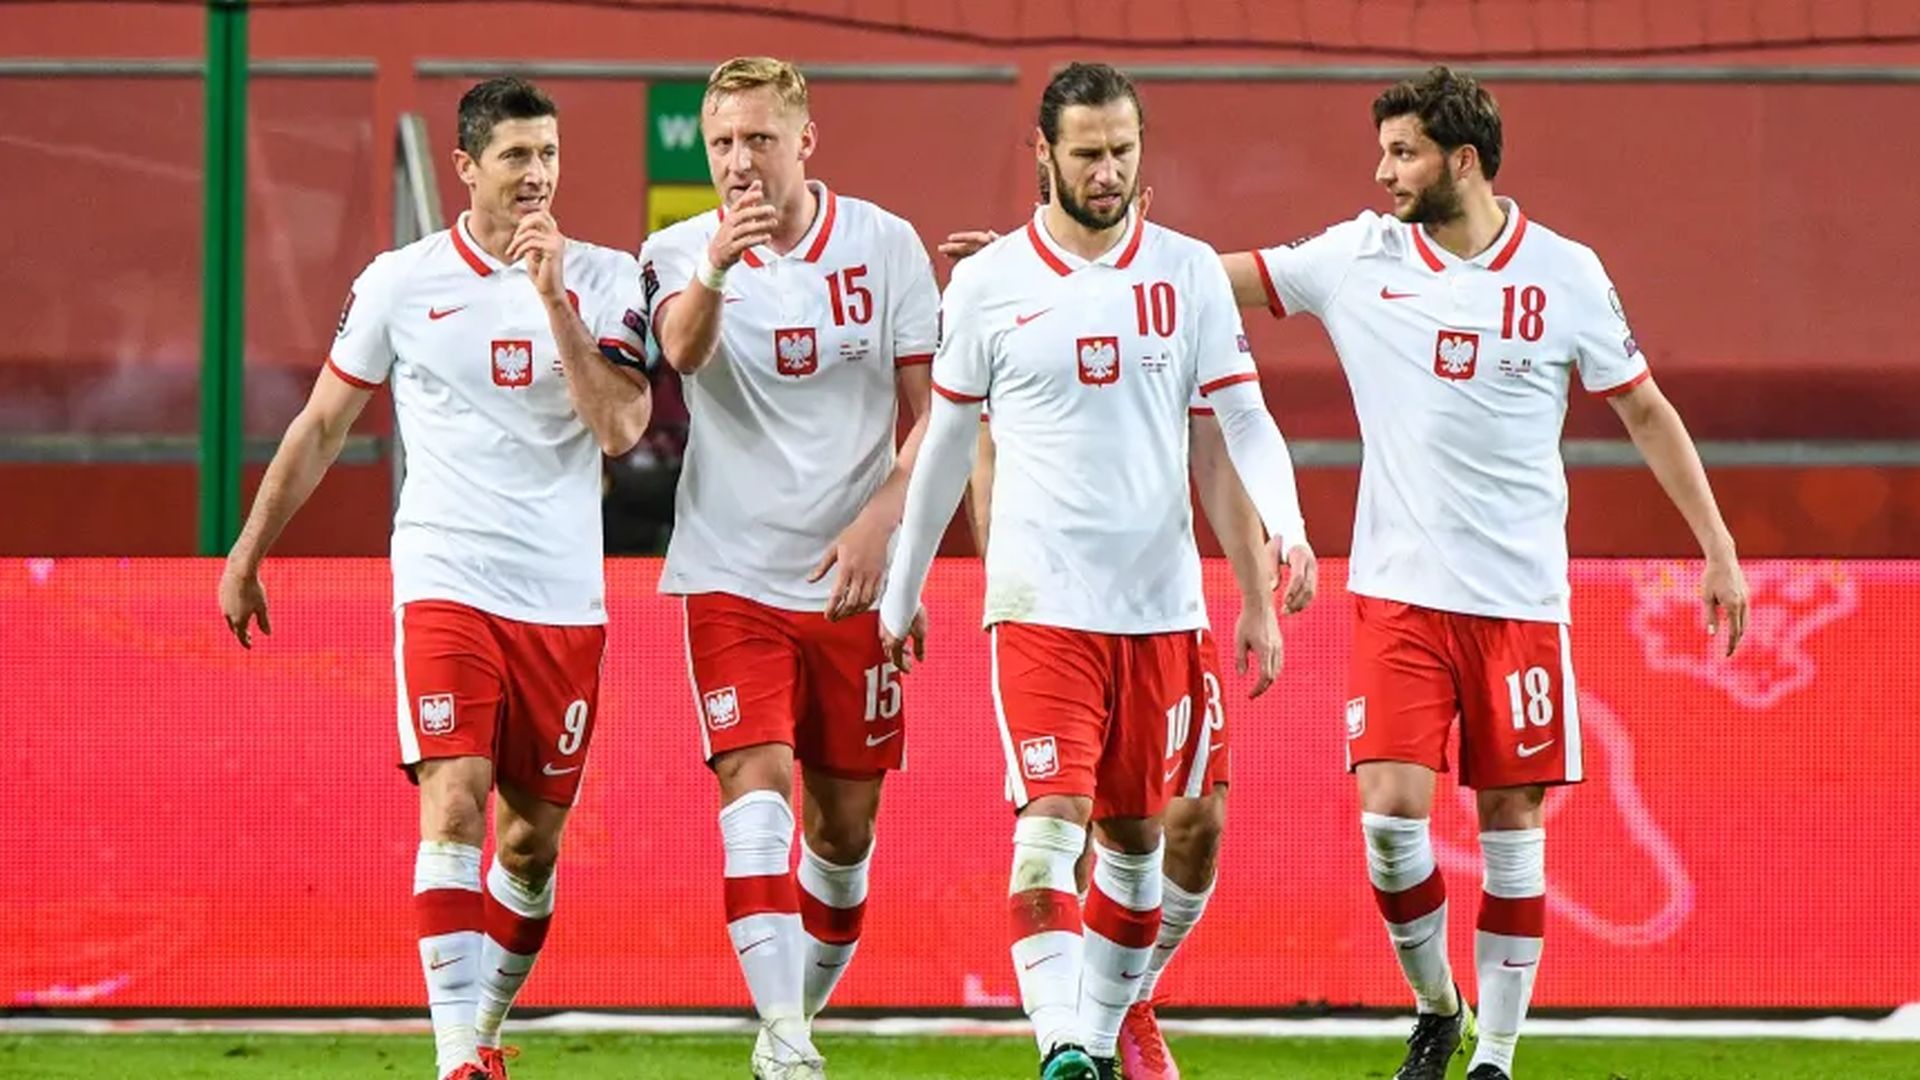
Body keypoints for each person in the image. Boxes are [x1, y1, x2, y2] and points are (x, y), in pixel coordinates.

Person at [1213, 66, 1751, 1080]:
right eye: (1381, 152)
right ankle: (1437, 1004)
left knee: (1513, 832)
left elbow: (1644, 408)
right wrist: (1055, 260)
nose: (1382, 172)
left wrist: (1716, 545)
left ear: (1462, 160)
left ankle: (1496, 1056)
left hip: (1519, 606)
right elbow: (1208, 277)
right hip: (1400, 598)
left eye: (1403, 153)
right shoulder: (1354, 258)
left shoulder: (1567, 274)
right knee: (1390, 823)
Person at [878, 62, 1314, 1080]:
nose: (1109, 170)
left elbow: (1240, 422)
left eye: (1123, 150)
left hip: (1161, 612)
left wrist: (1284, 535)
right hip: (1040, 606)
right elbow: (943, 450)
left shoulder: (1191, 272)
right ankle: (1065, 1042)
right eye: (1088, 153)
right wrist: (902, 594)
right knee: (1050, 825)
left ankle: (1113, 1020)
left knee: (1140, 846)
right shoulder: (987, 287)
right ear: (1045, 155)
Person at [217, 77, 652, 1080]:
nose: (538, 175)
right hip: (446, 574)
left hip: (563, 598)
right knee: (454, 799)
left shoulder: (603, 276)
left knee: (532, 851)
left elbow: (622, 429)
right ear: (465, 169)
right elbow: (323, 423)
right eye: (515, 157)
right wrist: (249, 550)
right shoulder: (398, 282)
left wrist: (551, 301)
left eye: (548, 155)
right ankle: (457, 1058)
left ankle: (486, 1030)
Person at [637, 56, 940, 1080]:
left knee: (843, 836)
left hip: (854, 584)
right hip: (731, 576)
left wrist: (888, 539)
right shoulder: (680, 250)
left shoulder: (887, 245)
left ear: (805, 141)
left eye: (760, 140)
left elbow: (939, 418)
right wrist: (720, 264)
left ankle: (789, 1025)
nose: (739, 163)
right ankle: (788, 1043)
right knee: (752, 785)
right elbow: (679, 354)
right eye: (723, 142)